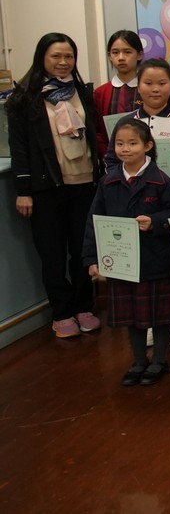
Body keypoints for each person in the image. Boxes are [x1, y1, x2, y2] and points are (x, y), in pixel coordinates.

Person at [8, 33, 102, 337]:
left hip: (84, 184)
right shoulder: (25, 98)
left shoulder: (82, 92)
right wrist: (23, 190)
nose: (63, 62)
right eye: (56, 56)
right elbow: (19, 148)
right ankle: (61, 312)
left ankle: (84, 306)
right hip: (46, 188)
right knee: (52, 254)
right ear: (42, 58)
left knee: (83, 251)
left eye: (69, 56)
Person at [83, 118, 170, 385]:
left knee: (160, 315)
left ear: (148, 146)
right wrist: (91, 258)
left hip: (155, 260)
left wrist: (155, 222)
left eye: (132, 143)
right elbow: (94, 220)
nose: (125, 149)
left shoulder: (161, 181)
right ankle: (138, 361)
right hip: (122, 262)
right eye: (120, 144)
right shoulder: (108, 182)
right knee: (132, 316)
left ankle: (159, 360)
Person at [117, 58, 170, 346]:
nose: (155, 89)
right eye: (148, 83)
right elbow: (111, 161)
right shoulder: (126, 122)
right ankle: (152, 318)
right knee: (147, 262)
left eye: (162, 83)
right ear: (138, 86)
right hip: (136, 201)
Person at [93, 29, 143, 159]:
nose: (121, 58)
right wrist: (107, 154)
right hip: (112, 159)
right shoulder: (100, 93)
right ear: (109, 56)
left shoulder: (148, 89)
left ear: (139, 55)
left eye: (127, 52)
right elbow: (97, 130)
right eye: (115, 52)